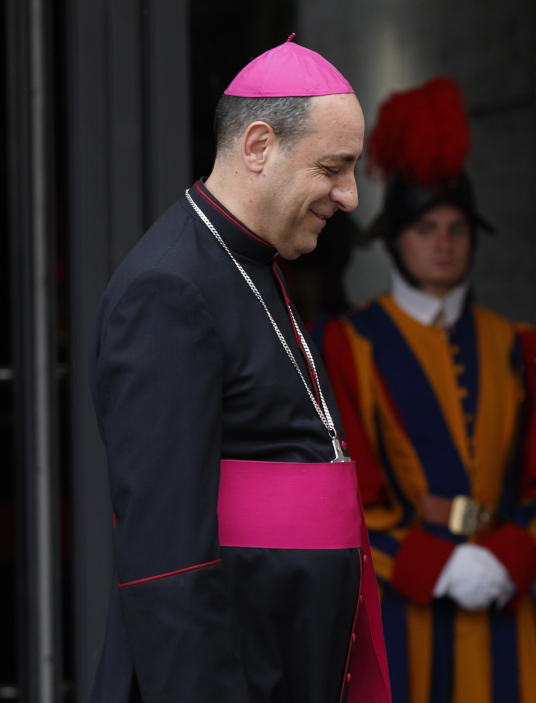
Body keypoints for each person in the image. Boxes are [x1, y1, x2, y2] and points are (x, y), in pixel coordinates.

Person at [88, 38, 389, 703]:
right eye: (335, 167)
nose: (349, 195)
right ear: (258, 146)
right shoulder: (168, 289)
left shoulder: (254, 262)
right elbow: (167, 558)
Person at [315, 76, 536, 703]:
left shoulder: (520, 346)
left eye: (457, 228)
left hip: (505, 616)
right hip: (403, 618)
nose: (443, 242)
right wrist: (438, 567)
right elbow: (347, 497)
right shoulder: (349, 345)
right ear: (394, 238)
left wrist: (506, 559)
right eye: (426, 226)